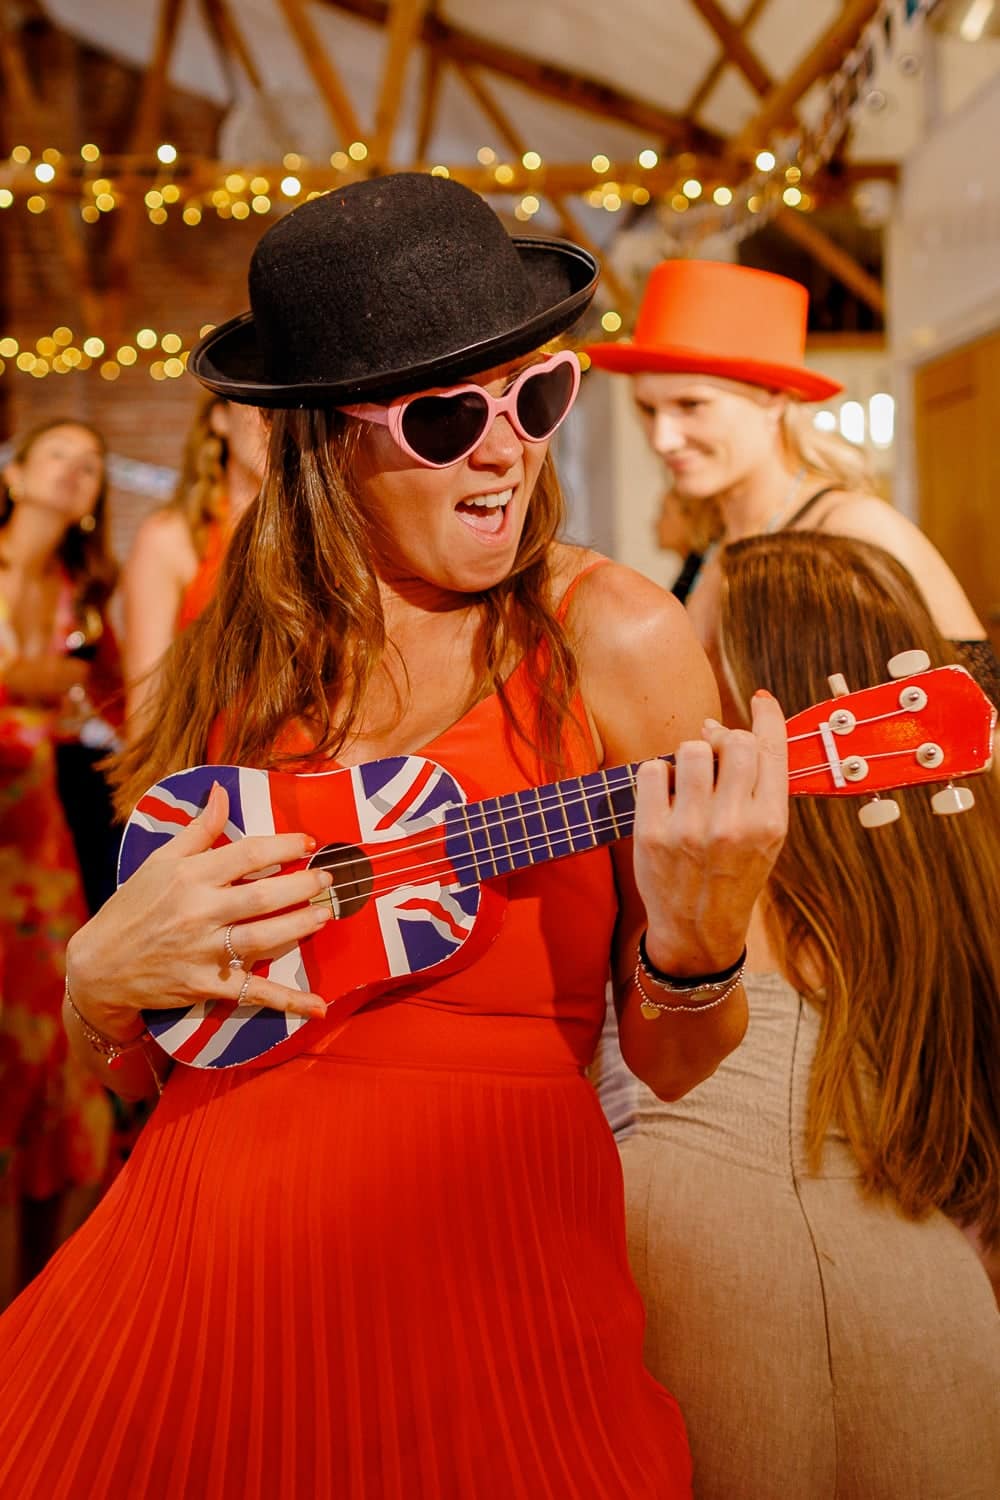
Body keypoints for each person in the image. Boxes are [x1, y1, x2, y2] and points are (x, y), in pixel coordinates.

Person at [0, 173, 788, 1498]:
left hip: (488, 1300)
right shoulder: (231, 662)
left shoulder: (616, 637)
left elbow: (678, 1057)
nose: (507, 453)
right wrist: (96, 996)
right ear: (324, 442)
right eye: (447, 417)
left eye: (537, 398)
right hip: (190, 1284)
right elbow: (165, 1059)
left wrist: (704, 943)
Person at [613, 531, 1000, 1499]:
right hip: (934, 1305)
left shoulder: (683, 869)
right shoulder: (932, 888)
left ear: (762, 700)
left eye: (687, 661)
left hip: (697, 1277)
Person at [586, 258, 1000, 707]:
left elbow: (982, 713)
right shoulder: (712, 539)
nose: (663, 439)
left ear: (774, 400)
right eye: (647, 409)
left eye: (691, 405)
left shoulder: (854, 527)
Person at [0, 419, 116, 1305]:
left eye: (93, 465)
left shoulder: (84, 598)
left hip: (49, 863)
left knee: (60, 1078)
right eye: (60, 457)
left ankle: (38, 1311)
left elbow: (110, 704)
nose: (78, 474)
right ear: (17, 474)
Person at [122, 393, 266, 731]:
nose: (276, 423)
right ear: (219, 418)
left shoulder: (325, 536)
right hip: (211, 769)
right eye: (261, 408)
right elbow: (147, 703)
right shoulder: (173, 536)